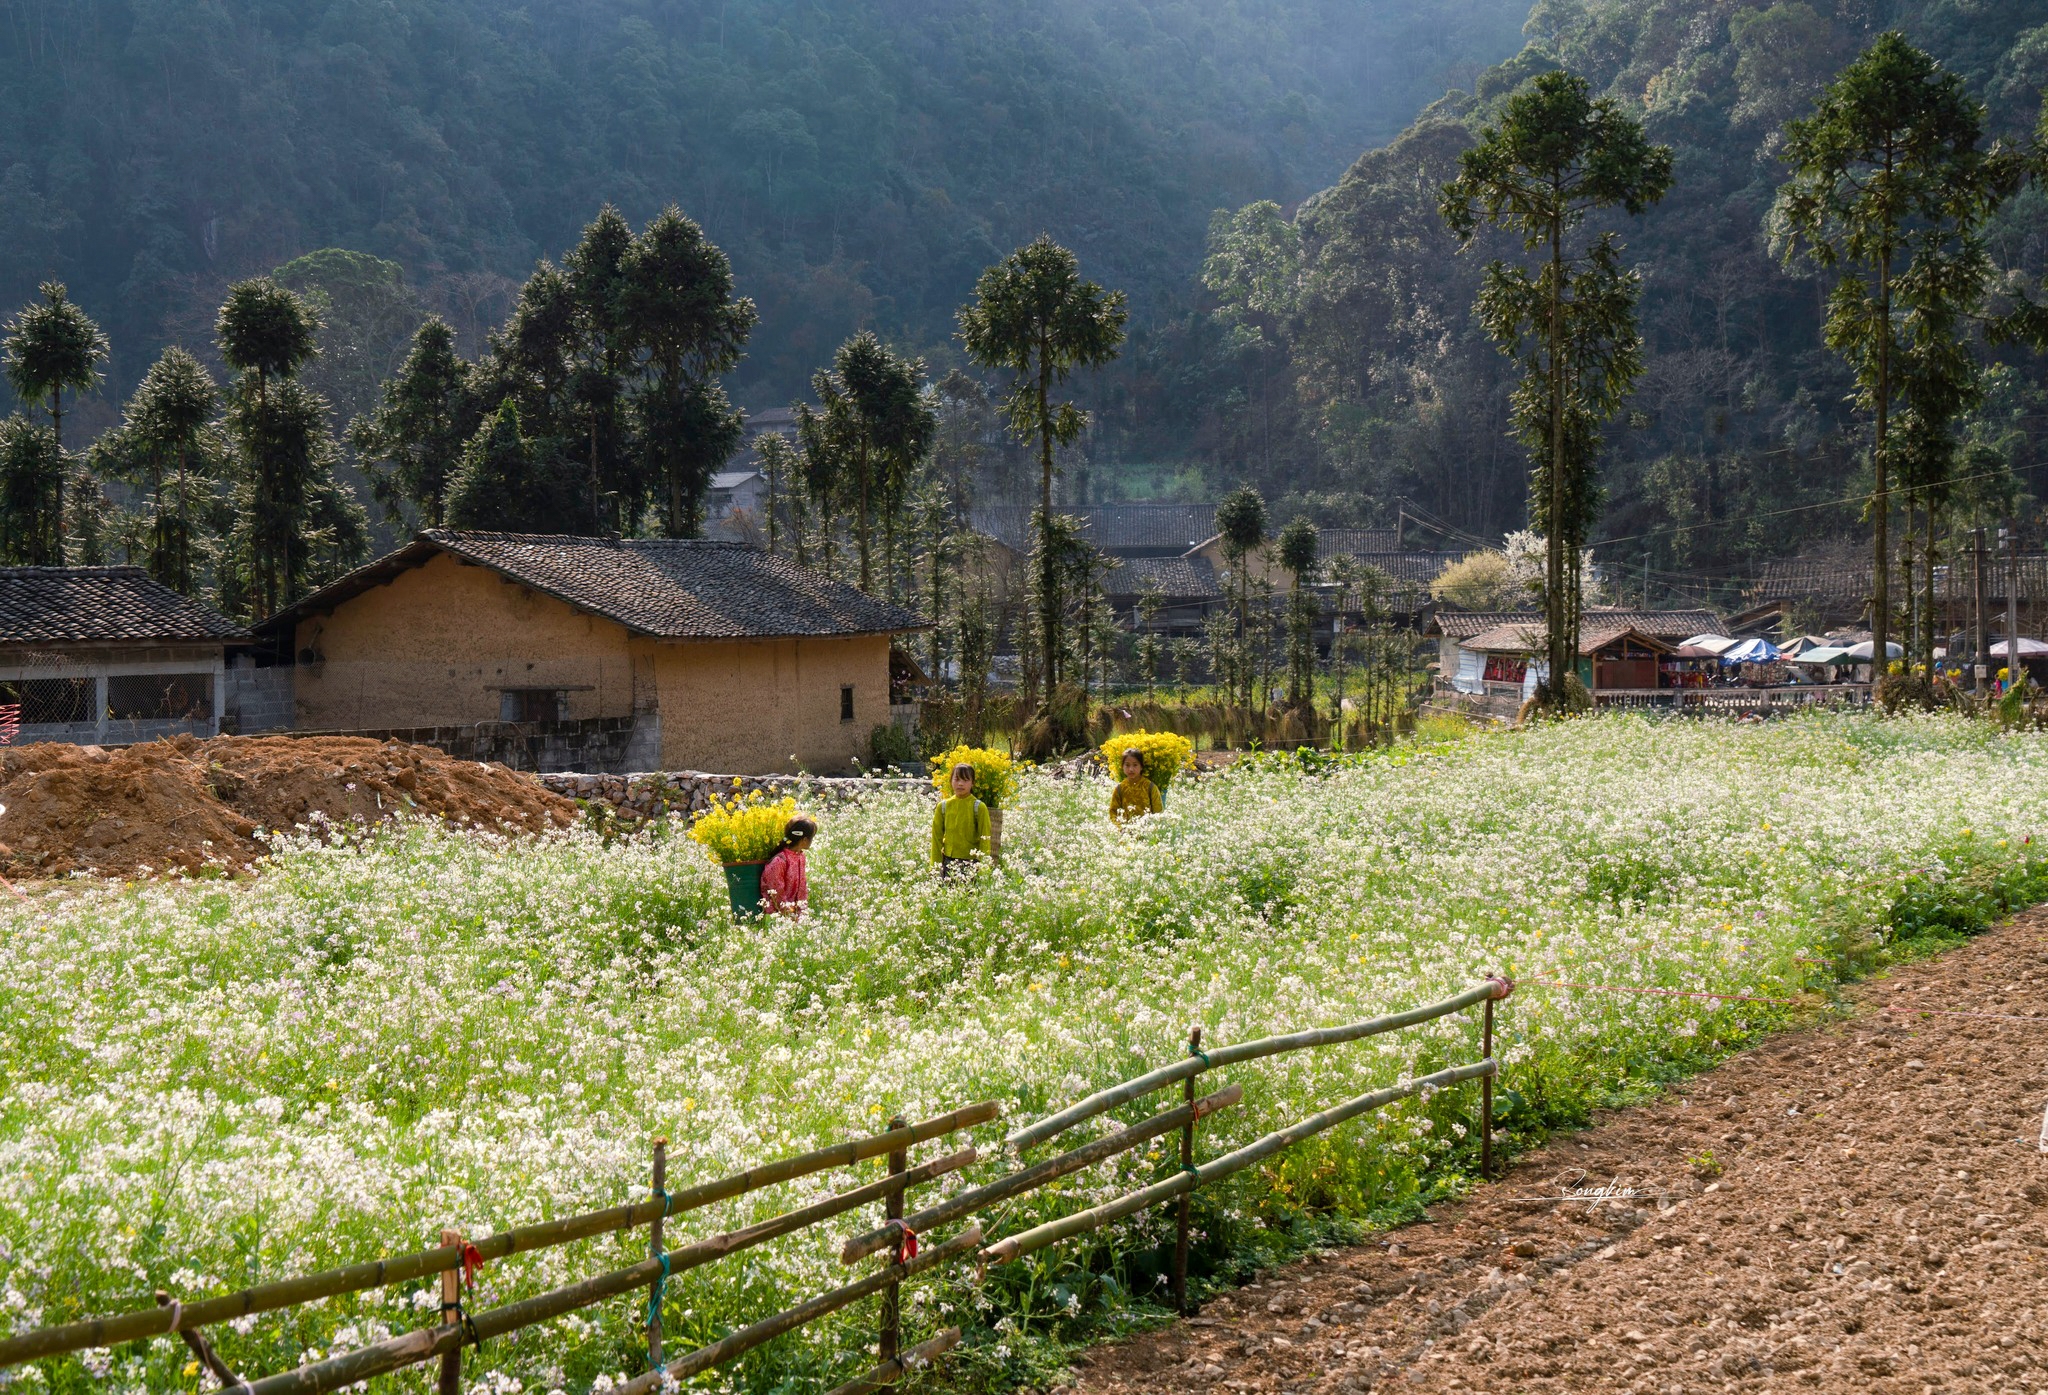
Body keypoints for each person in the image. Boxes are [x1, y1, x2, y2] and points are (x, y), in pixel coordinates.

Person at [930, 761, 991, 874]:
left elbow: (985, 839)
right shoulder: (943, 806)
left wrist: (984, 869)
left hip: (972, 863)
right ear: (950, 781)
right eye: (957, 779)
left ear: (973, 783)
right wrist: (935, 867)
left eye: (965, 780)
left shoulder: (979, 807)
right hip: (948, 861)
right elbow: (936, 838)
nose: (960, 784)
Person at [760, 816, 816, 918]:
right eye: (812, 837)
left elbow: (802, 888)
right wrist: (789, 914)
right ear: (804, 839)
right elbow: (777, 893)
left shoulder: (801, 857)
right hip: (776, 917)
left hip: (793, 915)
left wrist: (802, 913)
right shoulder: (779, 861)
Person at [1109, 748, 1162, 824]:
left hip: (1147, 830)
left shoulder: (1150, 787)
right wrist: (1120, 828)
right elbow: (1113, 812)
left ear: (1141, 767)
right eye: (1127, 765)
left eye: (1135, 765)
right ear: (1122, 767)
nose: (1131, 769)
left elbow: (1158, 812)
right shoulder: (1119, 789)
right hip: (1125, 831)